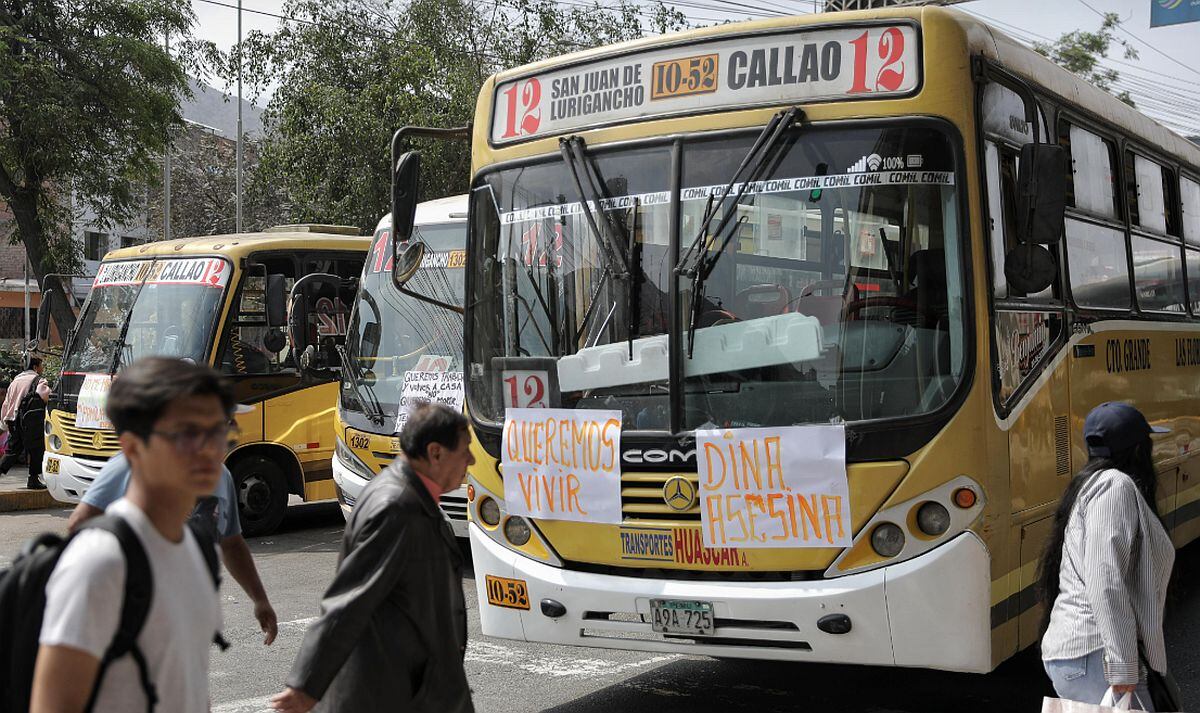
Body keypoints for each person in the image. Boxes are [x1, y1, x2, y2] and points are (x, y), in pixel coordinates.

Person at [31, 357, 235, 713]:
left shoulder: (198, 550)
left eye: (219, 430)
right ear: (132, 448)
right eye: (187, 434)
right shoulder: (100, 562)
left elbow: (188, 687)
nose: (210, 450)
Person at [270, 401, 474, 713]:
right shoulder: (396, 508)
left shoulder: (407, 497)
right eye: (465, 451)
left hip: (417, 687)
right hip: (394, 694)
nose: (471, 460)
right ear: (435, 453)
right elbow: (350, 600)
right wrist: (306, 684)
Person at [1039, 401, 1176, 710]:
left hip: (1086, 654)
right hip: (1095, 655)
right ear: (1139, 450)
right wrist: (1123, 666)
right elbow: (1105, 579)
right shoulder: (1115, 486)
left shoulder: (1091, 484)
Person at [66, 450, 279, 645]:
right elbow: (79, 524)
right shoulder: (133, 464)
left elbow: (231, 545)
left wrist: (260, 600)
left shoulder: (221, 477)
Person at [0, 355, 50, 482]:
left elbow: (6, 403)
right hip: (30, 422)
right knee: (37, 449)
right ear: (35, 367)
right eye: (41, 366)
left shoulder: (14, 381)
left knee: (12, 451)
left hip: (13, 421)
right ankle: (33, 480)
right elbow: (47, 397)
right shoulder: (39, 380)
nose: (42, 368)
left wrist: (4, 424)